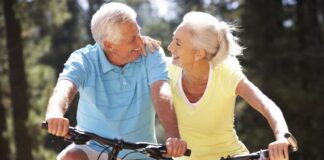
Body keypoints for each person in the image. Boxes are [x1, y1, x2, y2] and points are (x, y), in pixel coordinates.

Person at [45, 2, 187, 160]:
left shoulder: (151, 52)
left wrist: (173, 135)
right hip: (91, 147)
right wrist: (55, 113)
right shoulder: (84, 59)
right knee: (71, 157)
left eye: (138, 33)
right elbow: (64, 89)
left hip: (140, 153)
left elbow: (162, 93)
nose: (140, 41)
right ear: (108, 45)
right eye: (132, 39)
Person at [167, 11, 291, 160]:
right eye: (173, 40)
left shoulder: (225, 73)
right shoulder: (165, 71)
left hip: (231, 156)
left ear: (198, 54)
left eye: (178, 43)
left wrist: (283, 137)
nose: (170, 47)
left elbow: (266, 105)